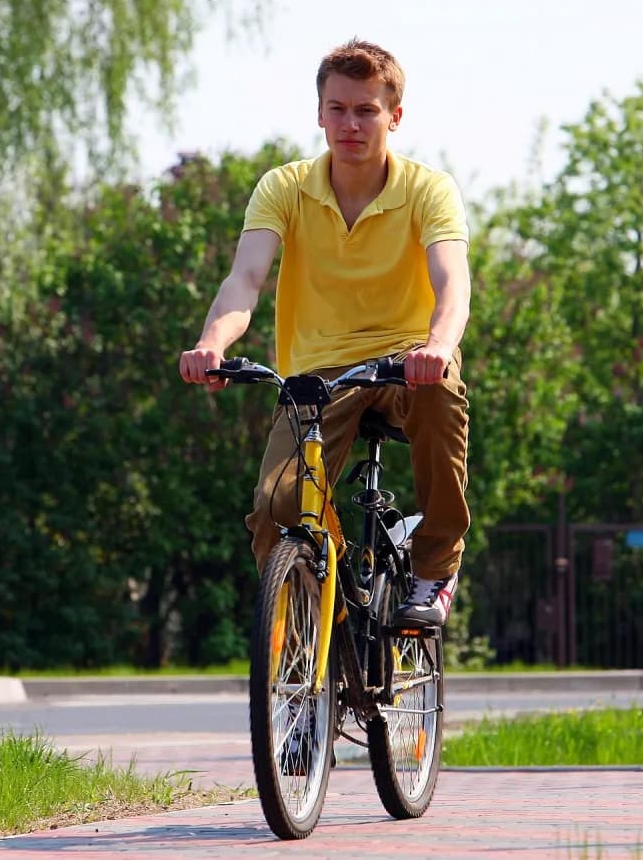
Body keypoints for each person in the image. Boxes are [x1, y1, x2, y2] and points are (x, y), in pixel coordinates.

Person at [179, 38, 471, 628]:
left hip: (407, 360)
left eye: (366, 110)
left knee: (441, 397)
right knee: (275, 508)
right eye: (337, 108)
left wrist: (437, 348)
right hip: (316, 373)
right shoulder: (284, 187)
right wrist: (214, 341)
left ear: (394, 116)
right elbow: (246, 279)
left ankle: (435, 565)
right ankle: (326, 633)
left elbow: (452, 283)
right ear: (319, 114)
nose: (351, 124)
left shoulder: (427, 190)